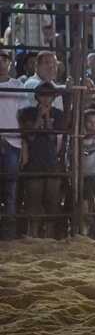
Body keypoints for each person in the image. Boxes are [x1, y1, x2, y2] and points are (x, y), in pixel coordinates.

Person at [19, 82, 65, 238]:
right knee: (33, 201)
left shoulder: (58, 114)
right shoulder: (29, 112)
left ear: (53, 97)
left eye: (48, 95)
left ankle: (49, 235)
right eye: (42, 95)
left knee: (52, 202)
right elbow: (30, 136)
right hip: (34, 162)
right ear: (36, 96)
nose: (45, 98)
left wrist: (46, 116)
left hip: (51, 162)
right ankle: (33, 234)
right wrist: (40, 115)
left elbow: (53, 136)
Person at [0, 49, 25, 241]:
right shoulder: (18, 85)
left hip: (13, 143)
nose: (1, 62)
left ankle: (8, 236)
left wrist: (24, 144)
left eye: (4, 58)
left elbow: (22, 118)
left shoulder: (18, 85)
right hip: (12, 143)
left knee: (11, 192)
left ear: (8, 62)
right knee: (10, 191)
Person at [78, 108, 95, 237]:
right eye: (89, 122)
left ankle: (88, 227)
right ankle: (86, 227)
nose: (93, 125)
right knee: (86, 192)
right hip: (82, 176)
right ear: (83, 124)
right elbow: (74, 156)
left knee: (90, 196)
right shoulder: (77, 139)